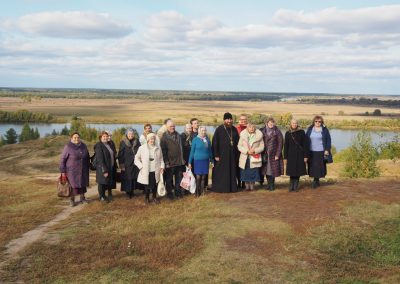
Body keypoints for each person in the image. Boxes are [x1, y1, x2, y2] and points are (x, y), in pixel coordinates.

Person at [211, 112, 240, 193]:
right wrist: (216, 154)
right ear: (224, 120)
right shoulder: (219, 129)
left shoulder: (234, 129)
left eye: (230, 119)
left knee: (231, 171)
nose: (229, 121)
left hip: (232, 155)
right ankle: (221, 188)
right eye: (227, 119)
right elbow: (215, 142)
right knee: (221, 172)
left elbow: (238, 142)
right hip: (221, 155)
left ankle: (232, 188)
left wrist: (237, 155)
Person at [59, 132, 90, 207]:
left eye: (78, 137)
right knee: (73, 186)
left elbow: (87, 156)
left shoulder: (83, 145)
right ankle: (72, 200)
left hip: (83, 169)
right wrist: (63, 171)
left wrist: (89, 165)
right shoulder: (68, 147)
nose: (77, 139)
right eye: (75, 137)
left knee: (83, 184)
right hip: (72, 171)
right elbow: (63, 159)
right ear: (71, 138)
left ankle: (82, 198)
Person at [135, 133, 165, 204]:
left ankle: (154, 198)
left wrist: (162, 167)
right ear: (148, 139)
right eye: (151, 139)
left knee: (155, 184)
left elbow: (161, 159)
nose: (152, 140)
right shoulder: (142, 148)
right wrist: (141, 166)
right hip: (146, 169)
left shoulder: (158, 147)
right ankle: (147, 198)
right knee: (147, 185)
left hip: (156, 169)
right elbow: (136, 158)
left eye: (153, 139)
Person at [160, 120, 185, 199]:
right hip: (170, 163)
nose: (172, 127)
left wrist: (182, 159)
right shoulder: (164, 137)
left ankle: (178, 193)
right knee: (169, 180)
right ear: (167, 127)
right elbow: (163, 152)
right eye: (171, 126)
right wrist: (166, 162)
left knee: (179, 179)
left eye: (173, 126)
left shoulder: (178, 135)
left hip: (179, 161)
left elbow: (181, 148)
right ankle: (170, 194)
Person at [306, 115, 332, 189]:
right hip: (311, 151)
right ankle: (316, 180)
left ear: (321, 122)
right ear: (314, 122)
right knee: (312, 166)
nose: (318, 122)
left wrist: (327, 149)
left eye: (319, 121)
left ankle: (315, 181)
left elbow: (328, 140)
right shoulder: (310, 129)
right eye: (316, 121)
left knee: (319, 167)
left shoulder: (324, 130)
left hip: (321, 151)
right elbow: (306, 139)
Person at [284, 119, 309, 192]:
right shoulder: (288, 133)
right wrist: (285, 157)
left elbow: (305, 145)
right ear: (291, 124)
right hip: (290, 155)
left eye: (296, 123)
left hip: (300, 155)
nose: (294, 124)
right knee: (291, 171)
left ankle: (295, 187)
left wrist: (305, 156)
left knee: (298, 171)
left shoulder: (302, 132)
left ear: (297, 124)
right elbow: (286, 146)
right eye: (293, 123)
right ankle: (291, 186)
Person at [237, 122, 264, 191]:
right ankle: (247, 187)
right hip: (245, 157)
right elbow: (239, 146)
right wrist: (246, 151)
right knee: (245, 172)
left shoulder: (259, 135)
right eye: (250, 127)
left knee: (253, 172)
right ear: (247, 128)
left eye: (253, 127)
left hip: (254, 157)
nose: (252, 129)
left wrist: (255, 150)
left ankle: (252, 187)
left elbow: (262, 147)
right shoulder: (243, 135)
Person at [188, 126, 213, 197]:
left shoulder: (207, 140)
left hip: (205, 161)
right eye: (202, 130)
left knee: (203, 177)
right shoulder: (195, 139)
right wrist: (189, 162)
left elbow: (210, 151)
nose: (203, 132)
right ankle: (197, 192)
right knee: (198, 177)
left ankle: (202, 192)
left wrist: (212, 160)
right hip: (197, 161)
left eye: (205, 130)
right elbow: (192, 152)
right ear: (199, 131)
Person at [260, 117, 284, 191]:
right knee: (266, 170)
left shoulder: (277, 132)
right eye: (269, 122)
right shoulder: (262, 131)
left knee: (272, 170)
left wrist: (278, 154)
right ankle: (268, 185)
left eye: (272, 122)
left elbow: (280, 144)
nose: (271, 124)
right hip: (264, 154)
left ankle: (272, 185)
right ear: (267, 123)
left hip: (274, 154)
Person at [118, 128, 140, 199]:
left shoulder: (137, 141)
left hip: (135, 163)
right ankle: (128, 193)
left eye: (132, 134)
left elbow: (140, 151)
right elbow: (120, 154)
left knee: (134, 178)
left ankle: (132, 191)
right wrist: (121, 165)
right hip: (126, 164)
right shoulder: (123, 142)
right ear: (127, 134)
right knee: (127, 178)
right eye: (129, 134)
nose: (131, 135)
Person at [95, 131, 116, 202]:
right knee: (101, 182)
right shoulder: (99, 146)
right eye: (104, 136)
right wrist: (104, 170)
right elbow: (100, 159)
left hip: (109, 167)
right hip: (102, 168)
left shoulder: (108, 144)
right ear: (100, 137)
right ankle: (101, 197)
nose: (105, 138)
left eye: (106, 136)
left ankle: (104, 196)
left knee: (106, 182)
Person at [105, 130, 117, 199]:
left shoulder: (112, 143)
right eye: (107, 135)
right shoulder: (102, 143)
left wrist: (115, 155)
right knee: (104, 180)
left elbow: (114, 151)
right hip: (105, 165)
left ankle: (110, 193)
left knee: (111, 179)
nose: (109, 137)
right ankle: (103, 194)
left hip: (112, 164)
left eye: (110, 136)